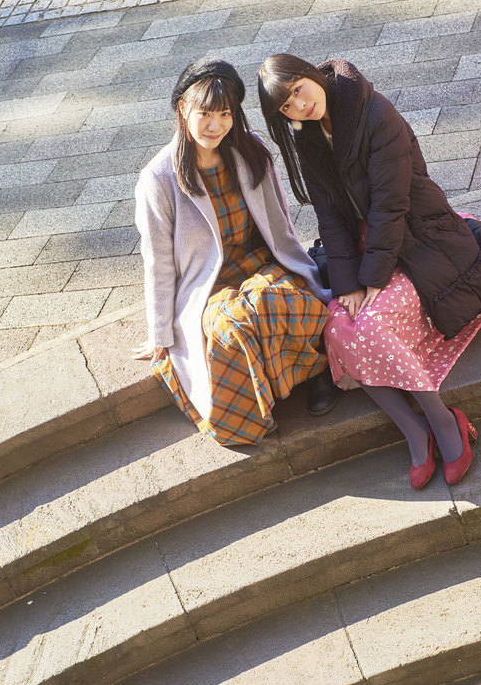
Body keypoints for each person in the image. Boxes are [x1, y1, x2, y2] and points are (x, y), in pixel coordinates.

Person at [258, 54, 481, 488]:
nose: (299, 106)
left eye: (298, 89)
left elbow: (392, 206)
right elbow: (330, 217)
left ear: (311, 74)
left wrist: (371, 280)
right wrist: (349, 284)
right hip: (365, 250)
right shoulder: (308, 135)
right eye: (286, 106)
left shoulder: (376, 113)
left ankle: (444, 421)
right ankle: (413, 430)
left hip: (420, 240)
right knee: (337, 325)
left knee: (370, 326)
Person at [132, 58, 338, 448]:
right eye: (205, 113)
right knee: (233, 325)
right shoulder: (158, 179)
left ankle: (317, 371)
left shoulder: (250, 151)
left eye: (225, 114)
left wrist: (300, 268)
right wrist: (160, 331)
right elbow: (157, 261)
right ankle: (256, 407)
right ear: (182, 110)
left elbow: (281, 226)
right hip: (208, 288)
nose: (215, 125)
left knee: (277, 301)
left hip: (263, 266)